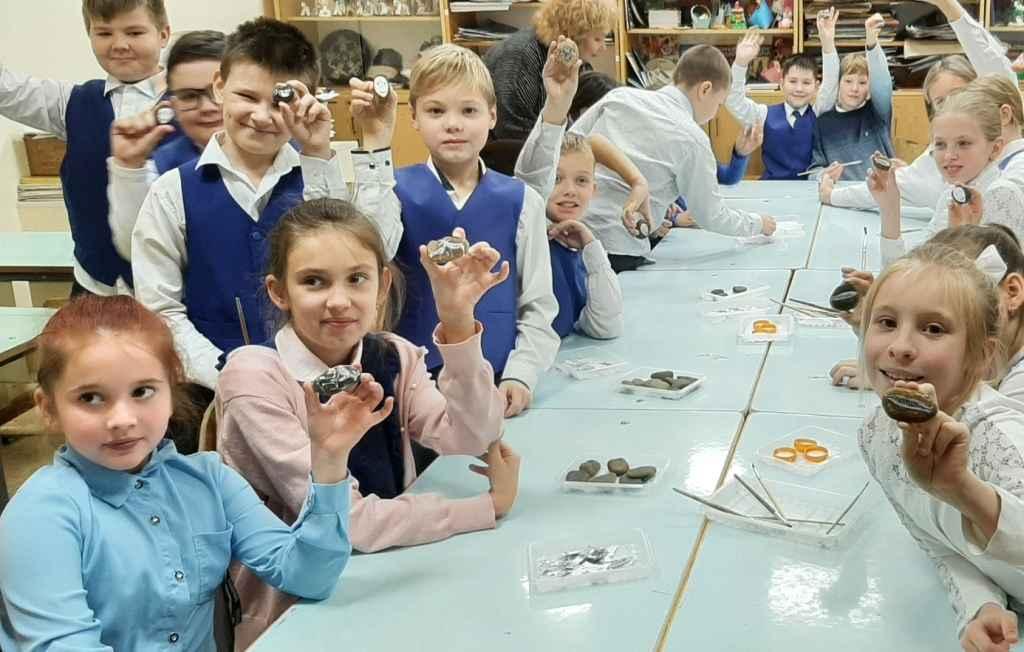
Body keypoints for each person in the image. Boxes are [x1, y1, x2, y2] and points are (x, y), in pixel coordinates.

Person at [216, 198, 520, 648]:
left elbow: (472, 434)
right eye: (314, 281)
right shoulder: (256, 376)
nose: (339, 301)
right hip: (294, 608)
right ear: (279, 292)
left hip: (396, 568)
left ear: (382, 284)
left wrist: (458, 323)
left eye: (357, 279)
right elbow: (351, 524)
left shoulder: (392, 354)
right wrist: (484, 507)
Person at [0, 295, 358, 650]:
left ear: (171, 393)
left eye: (142, 391)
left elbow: (308, 577)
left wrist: (328, 462)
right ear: (48, 408)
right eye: (90, 398)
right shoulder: (41, 515)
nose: (122, 419)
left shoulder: (210, 481)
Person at [131, 18, 348, 396]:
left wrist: (317, 150)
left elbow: (343, 266)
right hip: (208, 392)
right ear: (219, 85)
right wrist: (226, 375)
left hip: (315, 390)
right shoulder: (171, 192)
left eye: (280, 101)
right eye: (247, 96)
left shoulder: (319, 176)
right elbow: (161, 310)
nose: (262, 116)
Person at [349, 44, 559, 418]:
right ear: (413, 117)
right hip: (412, 389)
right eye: (436, 111)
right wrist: (377, 143)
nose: (453, 124)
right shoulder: (389, 191)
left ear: (492, 115)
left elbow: (538, 304)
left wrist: (522, 374)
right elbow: (368, 252)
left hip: (498, 384)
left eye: (469, 110)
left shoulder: (521, 200)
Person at [855, 242, 1024, 652]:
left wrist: (963, 489)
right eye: (887, 322)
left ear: (980, 355)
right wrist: (981, 604)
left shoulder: (1001, 439)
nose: (901, 346)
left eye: (933, 329)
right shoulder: (876, 434)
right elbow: (938, 544)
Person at [0, 0, 174, 296]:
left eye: (134, 32)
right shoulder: (72, 102)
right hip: (94, 288)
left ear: (163, 34)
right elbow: (8, 90)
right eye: (104, 33)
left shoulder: (198, 106)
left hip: (177, 294)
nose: (119, 45)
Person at [567, 44, 777, 273]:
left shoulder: (620, 96)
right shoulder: (692, 138)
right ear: (705, 89)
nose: (716, 113)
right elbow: (710, 215)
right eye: (719, 104)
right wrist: (758, 224)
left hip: (569, 228)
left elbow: (568, 144)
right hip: (618, 247)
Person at [821, 0, 1017, 208]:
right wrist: (832, 195)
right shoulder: (938, 157)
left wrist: (949, 7)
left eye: (958, 95)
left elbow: (989, 61)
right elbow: (890, 186)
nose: (951, 108)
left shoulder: (1003, 134)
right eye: (940, 103)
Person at [514, 40, 623, 339]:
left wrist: (592, 249)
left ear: (594, 189)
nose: (570, 191)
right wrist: (557, 106)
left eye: (581, 181)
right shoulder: (528, 232)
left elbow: (605, 326)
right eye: (556, 179)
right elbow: (533, 175)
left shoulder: (579, 245)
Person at [869, 80, 1024, 267]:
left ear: (996, 148)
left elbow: (980, 285)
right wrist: (889, 208)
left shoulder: (1001, 194)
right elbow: (912, 272)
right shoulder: (951, 195)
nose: (949, 156)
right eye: (940, 145)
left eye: (963, 143)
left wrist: (962, 236)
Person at [107, 29, 226, 260]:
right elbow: (138, 251)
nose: (207, 107)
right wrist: (128, 167)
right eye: (190, 96)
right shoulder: (162, 168)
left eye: (218, 92)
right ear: (174, 106)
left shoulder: (289, 155)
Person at [725, 10, 839, 180]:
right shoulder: (763, 114)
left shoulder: (819, 113)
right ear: (781, 83)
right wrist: (740, 63)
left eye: (806, 83)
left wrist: (828, 43)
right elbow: (734, 101)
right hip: (771, 188)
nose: (799, 88)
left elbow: (830, 83)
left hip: (808, 188)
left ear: (816, 86)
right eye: (792, 81)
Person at [484, 0, 614, 141]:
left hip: (544, 144)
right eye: (597, 39)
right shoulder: (521, 56)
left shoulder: (572, 60)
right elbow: (510, 130)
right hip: (510, 147)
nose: (603, 48)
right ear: (574, 33)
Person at [809, 13, 894, 182]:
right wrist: (823, 175)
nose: (855, 89)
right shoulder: (821, 123)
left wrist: (871, 41)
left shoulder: (877, 112)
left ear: (869, 87)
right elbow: (813, 170)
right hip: (842, 192)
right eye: (848, 81)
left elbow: (882, 84)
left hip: (880, 189)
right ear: (838, 84)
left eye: (862, 83)